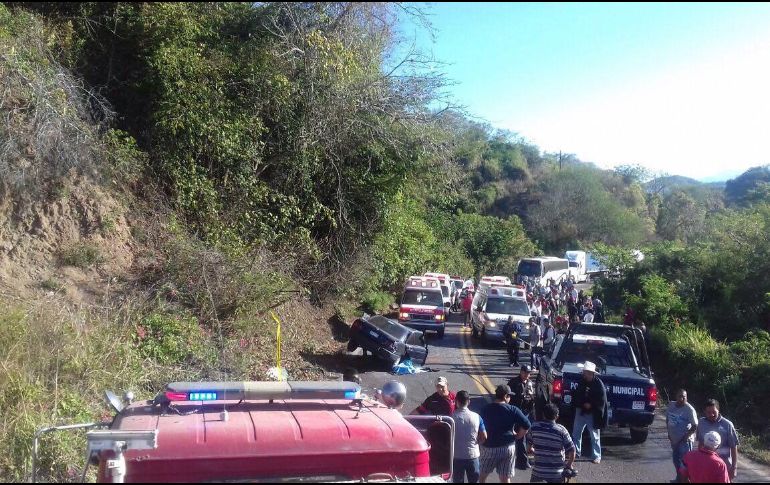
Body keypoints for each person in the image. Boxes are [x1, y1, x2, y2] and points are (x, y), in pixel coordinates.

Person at [479, 385, 531, 483]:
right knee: (505, 478)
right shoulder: (513, 409)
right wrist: (517, 436)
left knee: (482, 476)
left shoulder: (485, 409)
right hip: (508, 448)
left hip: (489, 448)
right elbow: (527, 425)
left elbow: (479, 427)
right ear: (505, 396)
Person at [529, 403, 577, 483]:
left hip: (538, 473)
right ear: (557, 416)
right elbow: (572, 450)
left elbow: (529, 448)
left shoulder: (534, 427)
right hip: (557, 474)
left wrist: (538, 452)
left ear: (543, 415)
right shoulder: (561, 430)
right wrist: (569, 464)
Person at [571, 361, 608, 464]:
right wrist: (582, 403)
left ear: (591, 373)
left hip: (592, 413)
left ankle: (597, 456)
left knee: (594, 436)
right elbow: (577, 394)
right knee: (576, 434)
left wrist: (591, 404)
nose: (584, 374)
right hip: (581, 411)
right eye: (584, 372)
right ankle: (575, 453)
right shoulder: (582, 381)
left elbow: (601, 400)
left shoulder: (598, 384)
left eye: (586, 372)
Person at [695, 399, 739, 480]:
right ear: (705, 411)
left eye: (714, 412)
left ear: (718, 410)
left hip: (724, 466)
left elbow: (733, 446)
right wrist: (699, 461)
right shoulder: (701, 423)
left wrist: (734, 467)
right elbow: (700, 443)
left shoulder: (727, 425)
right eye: (708, 412)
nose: (711, 415)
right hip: (706, 465)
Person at [453, 390, 488, 483]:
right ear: (468, 401)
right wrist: (477, 444)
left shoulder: (451, 418)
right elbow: (484, 436)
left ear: (456, 401)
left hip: (456, 456)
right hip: (473, 455)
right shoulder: (477, 417)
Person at [667, 389, 699, 483]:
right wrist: (668, 433)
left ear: (686, 397)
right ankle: (679, 479)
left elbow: (695, 425)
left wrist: (686, 436)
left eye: (684, 396)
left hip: (684, 442)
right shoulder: (671, 405)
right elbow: (667, 419)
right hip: (674, 440)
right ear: (676, 397)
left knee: (685, 464)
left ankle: (687, 481)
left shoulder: (689, 409)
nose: (682, 398)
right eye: (680, 396)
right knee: (676, 461)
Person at [507, 365, 535, 470]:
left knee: (523, 437)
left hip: (525, 413)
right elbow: (508, 397)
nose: (528, 375)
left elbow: (532, 397)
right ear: (521, 372)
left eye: (529, 373)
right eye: (526, 372)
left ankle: (522, 461)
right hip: (515, 413)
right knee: (513, 437)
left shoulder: (530, 383)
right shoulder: (513, 382)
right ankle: (517, 460)